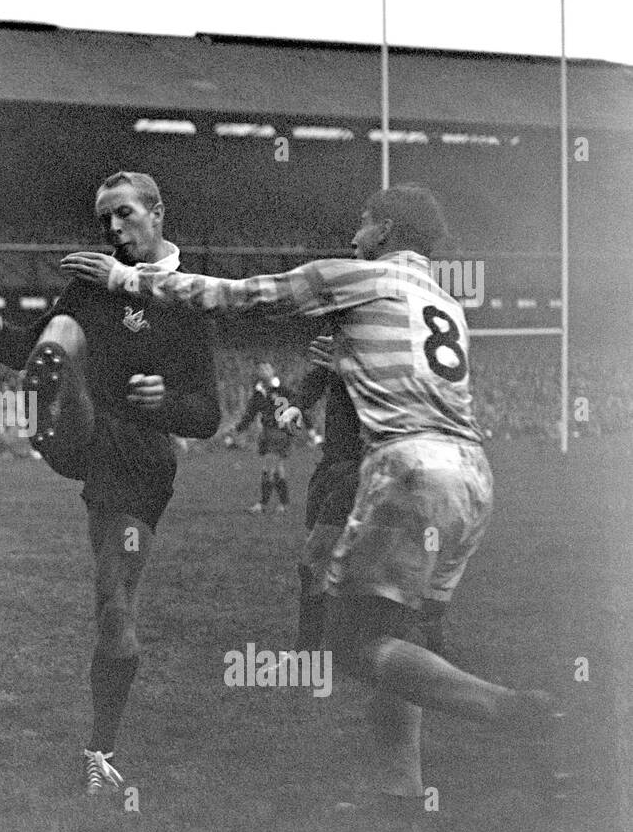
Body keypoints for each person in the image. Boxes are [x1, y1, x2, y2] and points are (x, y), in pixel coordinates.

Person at [62, 185, 560, 758]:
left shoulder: (358, 275)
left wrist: (123, 280)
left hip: (409, 468)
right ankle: (404, 791)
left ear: (387, 231)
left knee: (350, 645)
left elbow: (239, 296)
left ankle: (504, 706)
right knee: (397, 637)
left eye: (364, 224)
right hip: (472, 475)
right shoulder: (444, 304)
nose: (354, 236)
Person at [0, 171, 221, 798]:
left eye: (123, 215)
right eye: (104, 220)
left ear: (157, 213)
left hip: (137, 466)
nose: (112, 229)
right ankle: (56, 418)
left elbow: (208, 413)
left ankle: (101, 749)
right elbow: (26, 347)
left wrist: (167, 401)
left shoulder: (189, 298)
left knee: (114, 606)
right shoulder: (91, 286)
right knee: (62, 334)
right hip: (92, 442)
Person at [227, 361, 295, 514]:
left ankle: (262, 505)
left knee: (268, 468)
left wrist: (310, 430)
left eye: (267, 368)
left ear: (273, 371)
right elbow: (250, 414)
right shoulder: (259, 392)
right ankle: (284, 505)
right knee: (278, 470)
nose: (263, 371)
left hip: (280, 434)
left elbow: (298, 405)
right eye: (260, 369)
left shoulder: (282, 390)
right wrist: (237, 431)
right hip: (267, 433)